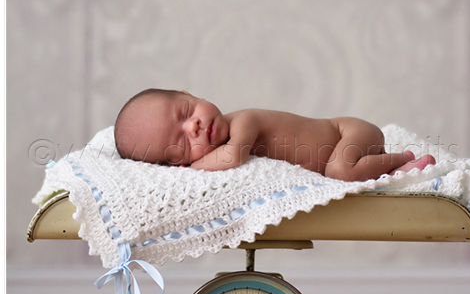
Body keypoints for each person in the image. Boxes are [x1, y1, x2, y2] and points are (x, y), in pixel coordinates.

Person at [114, 88, 436, 182]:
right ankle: (387, 165)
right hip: (348, 147)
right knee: (339, 168)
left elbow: (234, 156)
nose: (193, 126)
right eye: (183, 143)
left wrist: (193, 166)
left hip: (349, 132)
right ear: (177, 162)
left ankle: (401, 161)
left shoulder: (245, 121)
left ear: (189, 94)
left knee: (339, 170)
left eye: (186, 112)